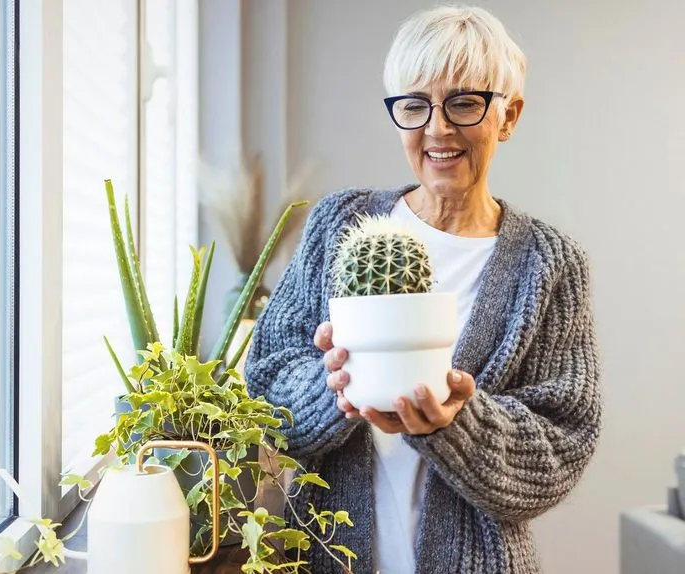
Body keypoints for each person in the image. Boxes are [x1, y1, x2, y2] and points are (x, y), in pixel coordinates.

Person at [244, 5, 602, 573]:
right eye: (414, 105)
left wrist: (457, 422)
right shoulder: (340, 225)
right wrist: (335, 388)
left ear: (508, 116)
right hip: (322, 559)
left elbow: (562, 446)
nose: (437, 128)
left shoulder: (548, 264)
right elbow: (265, 384)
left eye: (464, 102)